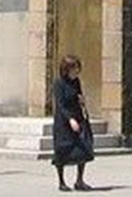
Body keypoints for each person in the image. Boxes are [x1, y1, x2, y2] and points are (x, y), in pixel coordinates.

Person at [50, 54, 94, 191]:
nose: (77, 71)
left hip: (78, 117)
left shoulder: (76, 82)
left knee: (83, 148)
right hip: (63, 121)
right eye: (74, 68)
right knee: (62, 150)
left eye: (77, 68)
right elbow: (60, 104)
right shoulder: (59, 83)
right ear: (66, 69)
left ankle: (79, 180)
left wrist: (83, 107)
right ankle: (61, 182)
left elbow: (79, 96)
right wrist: (70, 119)